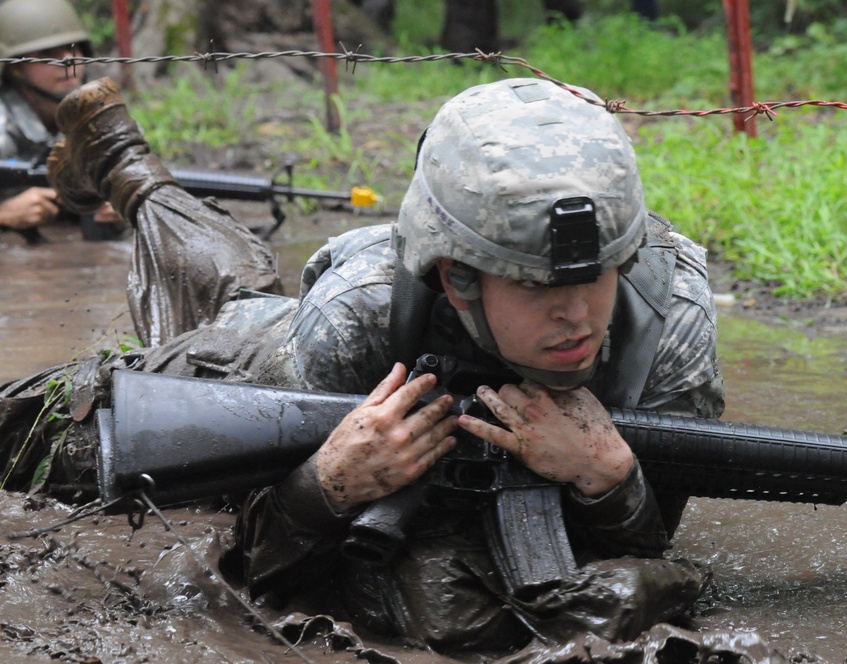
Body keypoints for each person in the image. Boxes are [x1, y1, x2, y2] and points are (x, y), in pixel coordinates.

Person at [4, 75, 725, 655]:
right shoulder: (355, 316)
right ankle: (125, 165)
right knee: (232, 315)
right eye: (537, 285)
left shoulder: (670, 329)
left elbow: (653, 551)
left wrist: (611, 482)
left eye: (597, 276)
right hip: (295, 351)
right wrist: (324, 486)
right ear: (456, 277)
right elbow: (254, 557)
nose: (577, 315)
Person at [0, 0, 125, 242]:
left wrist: (124, 206)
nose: (68, 61)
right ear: (15, 68)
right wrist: (4, 215)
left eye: (73, 49)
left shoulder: (104, 120)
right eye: (47, 55)